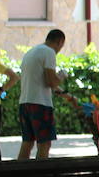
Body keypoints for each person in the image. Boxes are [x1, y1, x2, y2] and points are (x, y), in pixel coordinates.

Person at [16, 28, 65, 160]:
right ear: (59, 42)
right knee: (44, 143)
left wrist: (59, 89)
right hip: (40, 104)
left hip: (25, 102)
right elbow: (51, 81)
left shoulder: (31, 52)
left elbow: (40, 80)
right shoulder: (49, 52)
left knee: (27, 142)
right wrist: (61, 76)